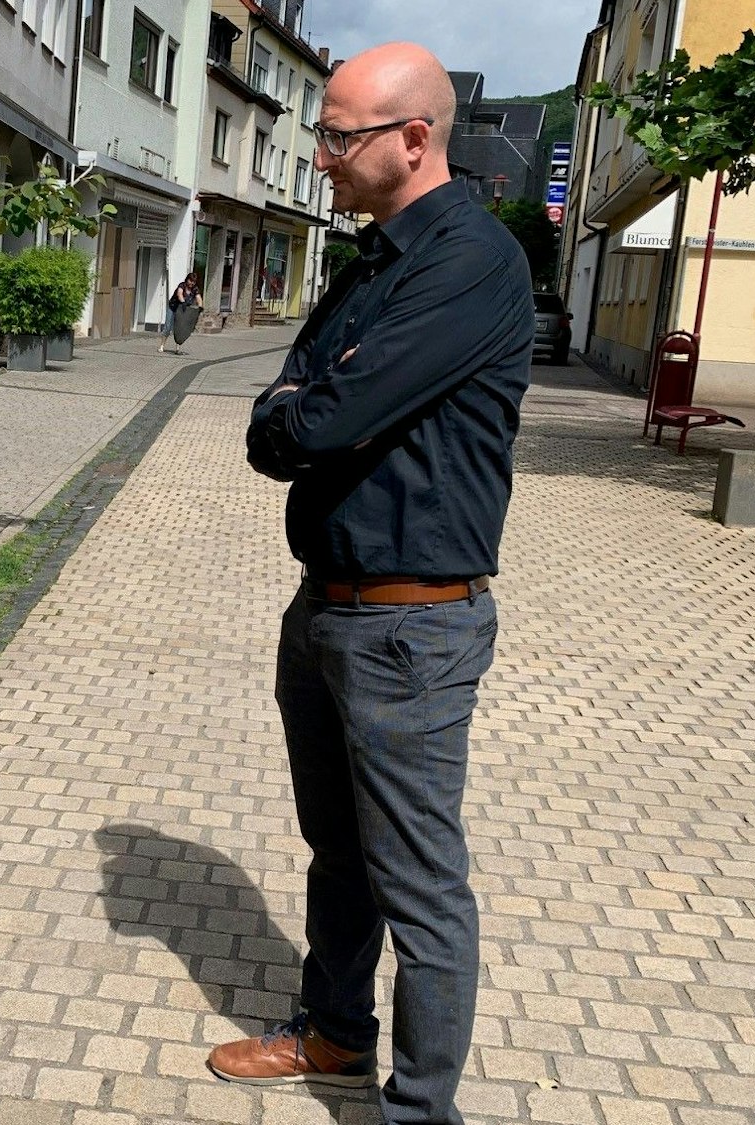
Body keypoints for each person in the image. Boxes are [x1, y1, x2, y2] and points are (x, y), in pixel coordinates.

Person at [212, 43, 533, 1125]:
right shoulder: (370, 261)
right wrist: (301, 404)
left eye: (338, 135)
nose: (317, 158)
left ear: (412, 139)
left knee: (417, 886)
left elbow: (321, 418)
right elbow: (279, 411)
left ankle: (419, 1112)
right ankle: (334, 1037)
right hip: (325, 611)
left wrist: (305, 405)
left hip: (409, 630)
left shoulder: (469, 262)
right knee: (335, 851)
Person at [161, 271, 203, 354]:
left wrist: (200, 306)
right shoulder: (182, 285)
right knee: (168, 327)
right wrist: (183, 302)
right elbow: (179, 294)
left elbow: (199, 298)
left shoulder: (195, 289)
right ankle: (162, 346)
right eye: (190, 281)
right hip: (173, 307)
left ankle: (177, 348)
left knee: (180, 328)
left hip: (182, 310)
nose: (192, 283)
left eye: (194, 281)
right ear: (187, 280)